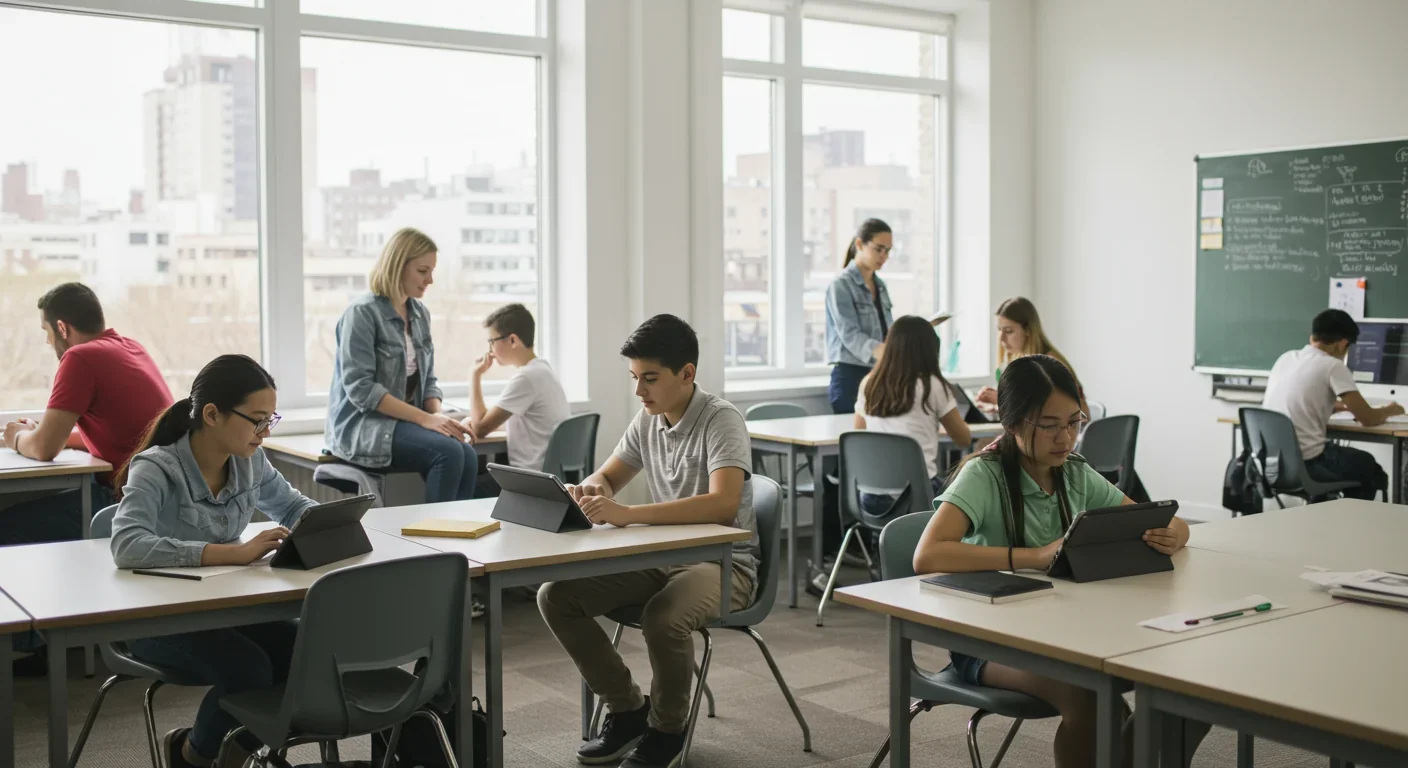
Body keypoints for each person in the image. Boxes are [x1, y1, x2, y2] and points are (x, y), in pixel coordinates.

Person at [912, 355, 1195, 768]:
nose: (1066, 437)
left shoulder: (1074, 473)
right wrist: (1034, 557)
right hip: (985, 640)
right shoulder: (985, 475)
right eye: (1049, 425)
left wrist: (1176, 533)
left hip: (1060, 629)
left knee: (1182, 690)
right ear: (1012, 422)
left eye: (1074, 422)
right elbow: (927, 554)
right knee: (1090, 695)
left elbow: (1160, 519)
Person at [537, 315, 759, 768]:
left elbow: (722, 504)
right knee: (556, 596)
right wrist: (594, 488)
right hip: (664, 557)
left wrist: (629, 515)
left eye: (650, 379)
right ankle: (628, 709)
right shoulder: (649, 419)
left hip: (724, 564)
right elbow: (609, 476)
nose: (640, 392)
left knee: (664, 617)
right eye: (635, 379)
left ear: (687, 374)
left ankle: (667, 730)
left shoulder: (722, 420)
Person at [110, 355, 315, 768]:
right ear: (212, 414)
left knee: (306, 647)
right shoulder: (155, 468)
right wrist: (232, 553)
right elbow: (127, 544)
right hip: (156, 618)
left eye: (270, 420)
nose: (264, 432)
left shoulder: (251, 460)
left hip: (225, 610)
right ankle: (194, 755)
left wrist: (329, 523)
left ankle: (227, 755)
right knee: (250, 669)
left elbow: (292, 506)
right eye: (257, 420)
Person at [2, 282, 173, 546]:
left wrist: (18, 437)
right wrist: (40, 433)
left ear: (62, 327)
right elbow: (120, 436)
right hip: (163, 498)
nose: (48, 341)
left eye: (46, 332)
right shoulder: (131, 347)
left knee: (6, 525)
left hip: (125, 503)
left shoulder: (80, 357)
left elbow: (45, 449)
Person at [325, 227, 478, 503]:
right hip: (364, 427)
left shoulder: (419, 314)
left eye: (431, 271)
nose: (430, 279)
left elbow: (428, 382)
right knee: (450, 452)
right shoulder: (362, 313)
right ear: (398, 266)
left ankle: (460, 535)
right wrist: (427, 420)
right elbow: (362, 390)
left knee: (465, 450)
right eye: (422, 271)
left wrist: (441, 421)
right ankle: (437, 540)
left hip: (404, 422)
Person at [1262, 309, 1400, 501]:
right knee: (1368, 467)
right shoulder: (1333, 366)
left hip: (1271, 464)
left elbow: (1303, 399)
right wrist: (1390, 410)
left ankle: (1326, 515)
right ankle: (1352, 527)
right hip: (1308, 464)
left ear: (1313, 336)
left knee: (1351, 462)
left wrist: (1340, 407)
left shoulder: (1286, 358)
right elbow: (1367, 419)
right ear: (1342, 343)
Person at [854, 315, 972, 511]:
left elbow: (859, 433)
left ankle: (882, 541)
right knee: (966, 492)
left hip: (872, 497)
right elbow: (963, 439)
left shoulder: (869, 383)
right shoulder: (932, 386)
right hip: (917, 496)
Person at [463, 303, 570, 496]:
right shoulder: (543, 370)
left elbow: (480, 428)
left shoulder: (526, 378)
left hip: (530, 480)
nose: (491, 349)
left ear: (512, 340)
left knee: (461, 486)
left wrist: (475, 375)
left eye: (492, 341)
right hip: (549, 475)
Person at [824, 218, 894, 414]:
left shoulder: (880, 285)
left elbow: (887, 327)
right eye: (878, 249)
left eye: (888, 251)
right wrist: (881, 350)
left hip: (879, 376)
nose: (883, 256)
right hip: (850, 376)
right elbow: (849, 334)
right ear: (859, 244)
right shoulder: (840, 285)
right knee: (855, 440)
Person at [976, 297, 1079, 406]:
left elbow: (1075, 411)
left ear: (1028, 330)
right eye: (999, 330)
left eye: (1009, 331)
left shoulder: (1052, 365)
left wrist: (1005, 402)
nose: (1001, 338)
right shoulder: (1016, 361)